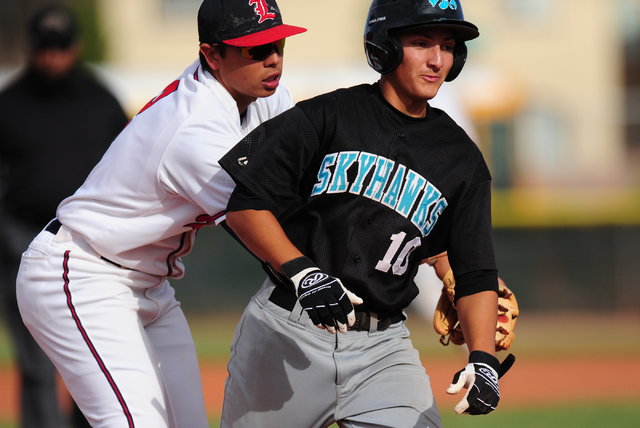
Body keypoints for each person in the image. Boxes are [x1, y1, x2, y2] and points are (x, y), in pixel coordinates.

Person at [218, 1, 512, 427]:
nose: (437, 60)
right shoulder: (327, 115)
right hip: (287, 332)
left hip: (383, 349)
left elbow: (476, 272)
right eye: (421, 42)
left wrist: (482, 358)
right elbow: (246, 205)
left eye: (448, 47)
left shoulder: (462, 160)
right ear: (385, 47)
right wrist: (304, 273)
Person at [14, 0, 306, 426]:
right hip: (82, 273)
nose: (272, 58)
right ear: (211, 55)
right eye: (253, 49)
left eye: (276, 43)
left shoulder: (265, 95)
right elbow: (257, 217)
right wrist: (308, 273)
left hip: (149, 284)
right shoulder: (195, 127)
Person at [0, 6, 129, 428]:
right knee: (36, 363)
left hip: (89, 247)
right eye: (44, 48)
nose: (52, 56)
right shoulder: (8, 104)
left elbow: (128, 172)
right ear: (29, 48)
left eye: (60, 48)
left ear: (76, 47)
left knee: (88, 357)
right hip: (21, 239)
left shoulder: (102, 100)